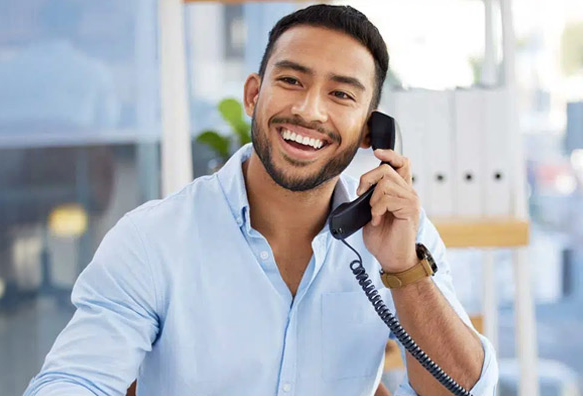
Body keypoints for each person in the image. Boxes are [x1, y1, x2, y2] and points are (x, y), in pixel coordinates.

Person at [24, 5, 497, 396]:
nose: (310, 110)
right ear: (254, 94)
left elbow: (466, 389)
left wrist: (403, 271)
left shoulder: (401, 237)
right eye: (292, 81)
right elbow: (73, 380)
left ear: (370, 131)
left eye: (340, 94)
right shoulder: (153, 239)